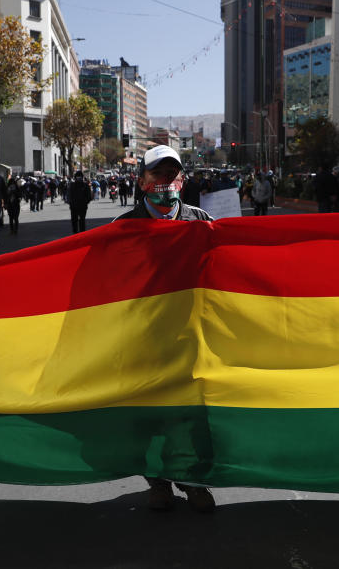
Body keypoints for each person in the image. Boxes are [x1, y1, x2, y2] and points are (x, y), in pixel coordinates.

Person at [114, 145, 215, 513]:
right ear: (142, 182)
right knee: (149, 416)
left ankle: (194, 482)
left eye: (173, 176)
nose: (166, 183)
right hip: (143, 341)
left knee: (192, 415)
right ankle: (158, 483)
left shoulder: (201, 221)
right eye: (158, 175)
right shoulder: (122, 229)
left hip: (190, 338)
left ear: (183, 181)